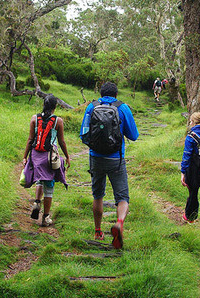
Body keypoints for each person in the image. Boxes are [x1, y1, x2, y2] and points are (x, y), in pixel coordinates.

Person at [80, 82, 139, 248]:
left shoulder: (92, 107)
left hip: (96, 158)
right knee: (122, 197)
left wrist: (95, 146)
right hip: (116, 159)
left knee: (98, 194)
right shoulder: (123, 108)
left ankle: (98, 231)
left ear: (101, 93)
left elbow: (83, 134)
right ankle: (119, 223)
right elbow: (134, 135)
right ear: (116, 94)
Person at [22, 94, 71, 227]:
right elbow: (61, 141)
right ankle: (45, 217)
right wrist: (67, 156)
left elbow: (30, 139)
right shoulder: (58, 121)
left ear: (44, 104)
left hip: (36, 155)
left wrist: (25, 156)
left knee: (39, 179)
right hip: (50, 157)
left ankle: (37, 202)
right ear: (55, 106)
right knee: (49, 185)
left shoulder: (34, 118)